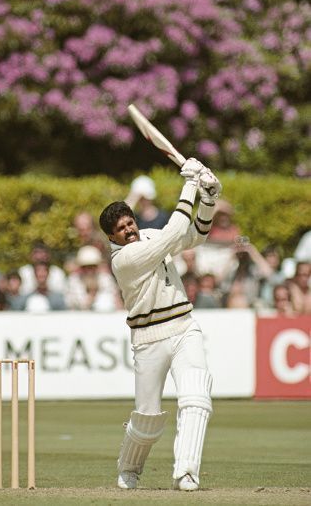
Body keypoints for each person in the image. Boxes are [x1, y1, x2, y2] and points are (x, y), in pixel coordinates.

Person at [99, 158, 222, 492]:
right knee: (148, 418)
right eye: (121, 229)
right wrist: (191, 184)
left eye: (130, 223)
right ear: (112, 237)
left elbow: (194, 235)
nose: (129, 230)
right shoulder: (123, 261)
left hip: (184, 326)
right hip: (149, 337)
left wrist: (208, 199)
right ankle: (129, 468)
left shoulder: (152, 234)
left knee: (196, 396)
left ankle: (186, 473)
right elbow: (172, 236)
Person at [65, 245, 122, 312]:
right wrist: (92, 294)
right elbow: (74, 306)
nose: (89, 270)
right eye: (85, 267)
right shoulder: (73, 280)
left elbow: (117, 302)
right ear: (80, 267)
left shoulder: (105, 279)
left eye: (92, 266)